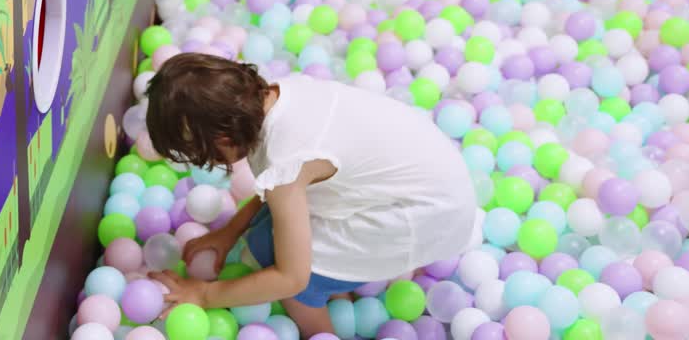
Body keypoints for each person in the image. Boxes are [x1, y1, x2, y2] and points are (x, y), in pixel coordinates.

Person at [144, 52, 482, 336]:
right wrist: (229, 233)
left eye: (200, 153)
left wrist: (204, 294)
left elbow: (290, 278)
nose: (205, 163)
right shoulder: (278, 96)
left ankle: (323, 332)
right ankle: (341, 282)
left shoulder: (285, 155)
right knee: (263, 240)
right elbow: (281, 184)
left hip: (425, 214)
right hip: (433, 177)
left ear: (223, 137)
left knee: (289, 274)